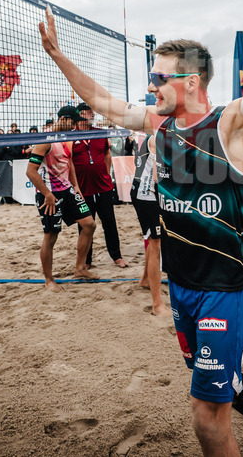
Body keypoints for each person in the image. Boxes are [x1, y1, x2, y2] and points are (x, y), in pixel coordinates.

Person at [37, 0, 243, 456]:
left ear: (191, 82)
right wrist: (60, 59)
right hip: (181, 284)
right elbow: (103, 101)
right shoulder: (158, 124)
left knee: (206, 415)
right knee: (219, 381)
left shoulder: (230, 123)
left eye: (160, 78)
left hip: (223, 284)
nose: (151, 85)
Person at [25, 106, 99, 291]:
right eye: (73, 122)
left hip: (67, 190)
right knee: (51, 236)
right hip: (49, 194)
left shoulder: (67, 138)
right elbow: (30, 171)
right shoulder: (45, 141)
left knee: (89, 224)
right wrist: (47, 194)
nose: (74, 126)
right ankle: (49, 280)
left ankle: (80, 269)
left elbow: (69, 162)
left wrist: (76, 186)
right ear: (63, 119)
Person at [72, 102, 128, 268]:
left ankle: (117, 256)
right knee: (85, 226)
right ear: (79, 115)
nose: (92, 114)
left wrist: (107, 174)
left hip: (103, 186)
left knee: (109, 222)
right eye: (88, 112)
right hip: (83, 188)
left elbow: (106, 153)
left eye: (92, 112)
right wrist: (74, 185)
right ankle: (86, 260)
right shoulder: (70, 136)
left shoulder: (100, 133)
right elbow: (69, 162)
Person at [130, 132, 167, 316]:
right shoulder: (160, 137)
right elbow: (157, 177)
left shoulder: (156, 135)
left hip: (146, 192)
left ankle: (145, 279)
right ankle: (157, 304)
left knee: (155, 240)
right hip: (147, 194)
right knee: (156, 244)